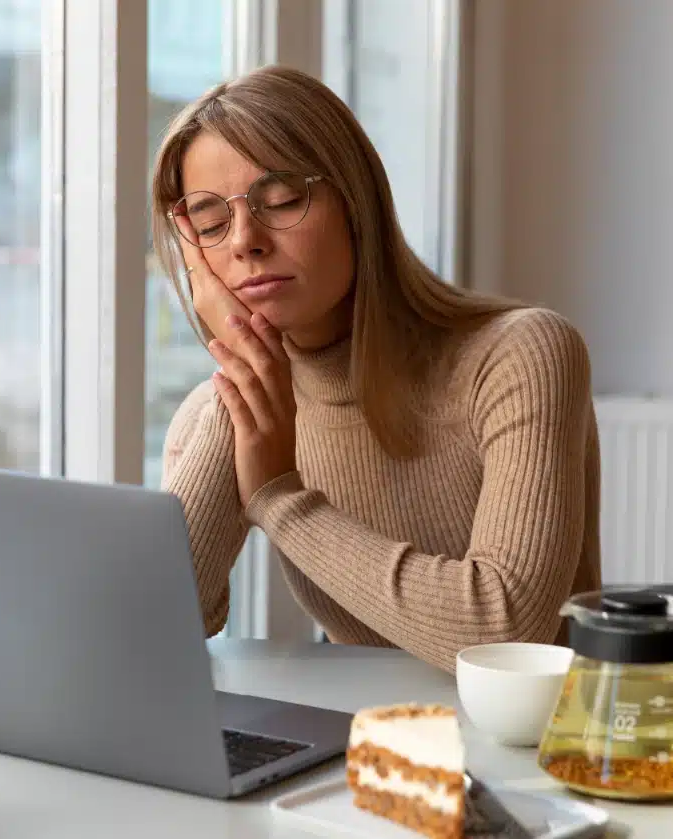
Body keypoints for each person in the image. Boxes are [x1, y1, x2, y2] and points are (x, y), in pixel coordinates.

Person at [151, 65, 601, 672]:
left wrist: (278, 499)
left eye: (281, 199)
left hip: (532, 750)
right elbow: (155, 624)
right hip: (364, 742)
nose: (244, 241)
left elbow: (505, 629)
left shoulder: (518, 355)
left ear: (356, 201)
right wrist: (239, 354)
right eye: (210, 222)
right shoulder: (227, 411)